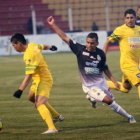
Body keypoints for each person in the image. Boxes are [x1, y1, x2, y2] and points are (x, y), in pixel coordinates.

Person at [47, 16, 136, 123]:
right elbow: (64, 37)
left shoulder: (101, 54)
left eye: (92, 43)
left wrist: (114, 82)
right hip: (90, 86)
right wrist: (53, 25)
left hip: (102, 82)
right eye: (88, 42)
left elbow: (105, 69)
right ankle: (129, 117)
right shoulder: (80, 49)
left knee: (112, 101)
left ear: (97, 43)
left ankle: (91, 99)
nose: (89, 45)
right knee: (109, 101)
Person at [10, 33, 64, 134]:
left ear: (20, 43)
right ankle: (56, 116)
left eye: (14, 45)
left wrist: (20, 90)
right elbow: (43, 46)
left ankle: (52, 128)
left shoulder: (29, 54)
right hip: (38, 80)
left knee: (39, 103)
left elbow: (29, 76)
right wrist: (51, 47)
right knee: (31, 97)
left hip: (43, 80)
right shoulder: (32, 45)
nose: (14, 48)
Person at [103, 9, 140, 99]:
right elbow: (108, 42)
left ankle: (101, 84)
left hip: (136, 64)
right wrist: (103, 57)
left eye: (131, 17)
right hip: (127, 64)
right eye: (127, 18)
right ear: (124, 19)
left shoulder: (139, 29)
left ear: (135, 18)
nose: (129, 20)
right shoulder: (120, 30)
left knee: (126, 87)